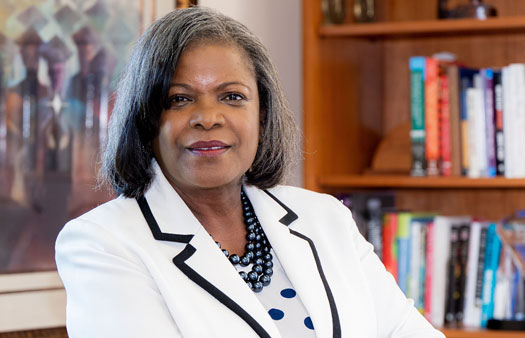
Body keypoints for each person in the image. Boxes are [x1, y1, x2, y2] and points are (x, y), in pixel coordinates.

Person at [55, 7, 445, 338]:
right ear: (147, 119)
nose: (208, 117)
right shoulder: (101, 243)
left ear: (262, 114)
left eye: (232, 96)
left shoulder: (325, 219)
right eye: (179, 99)